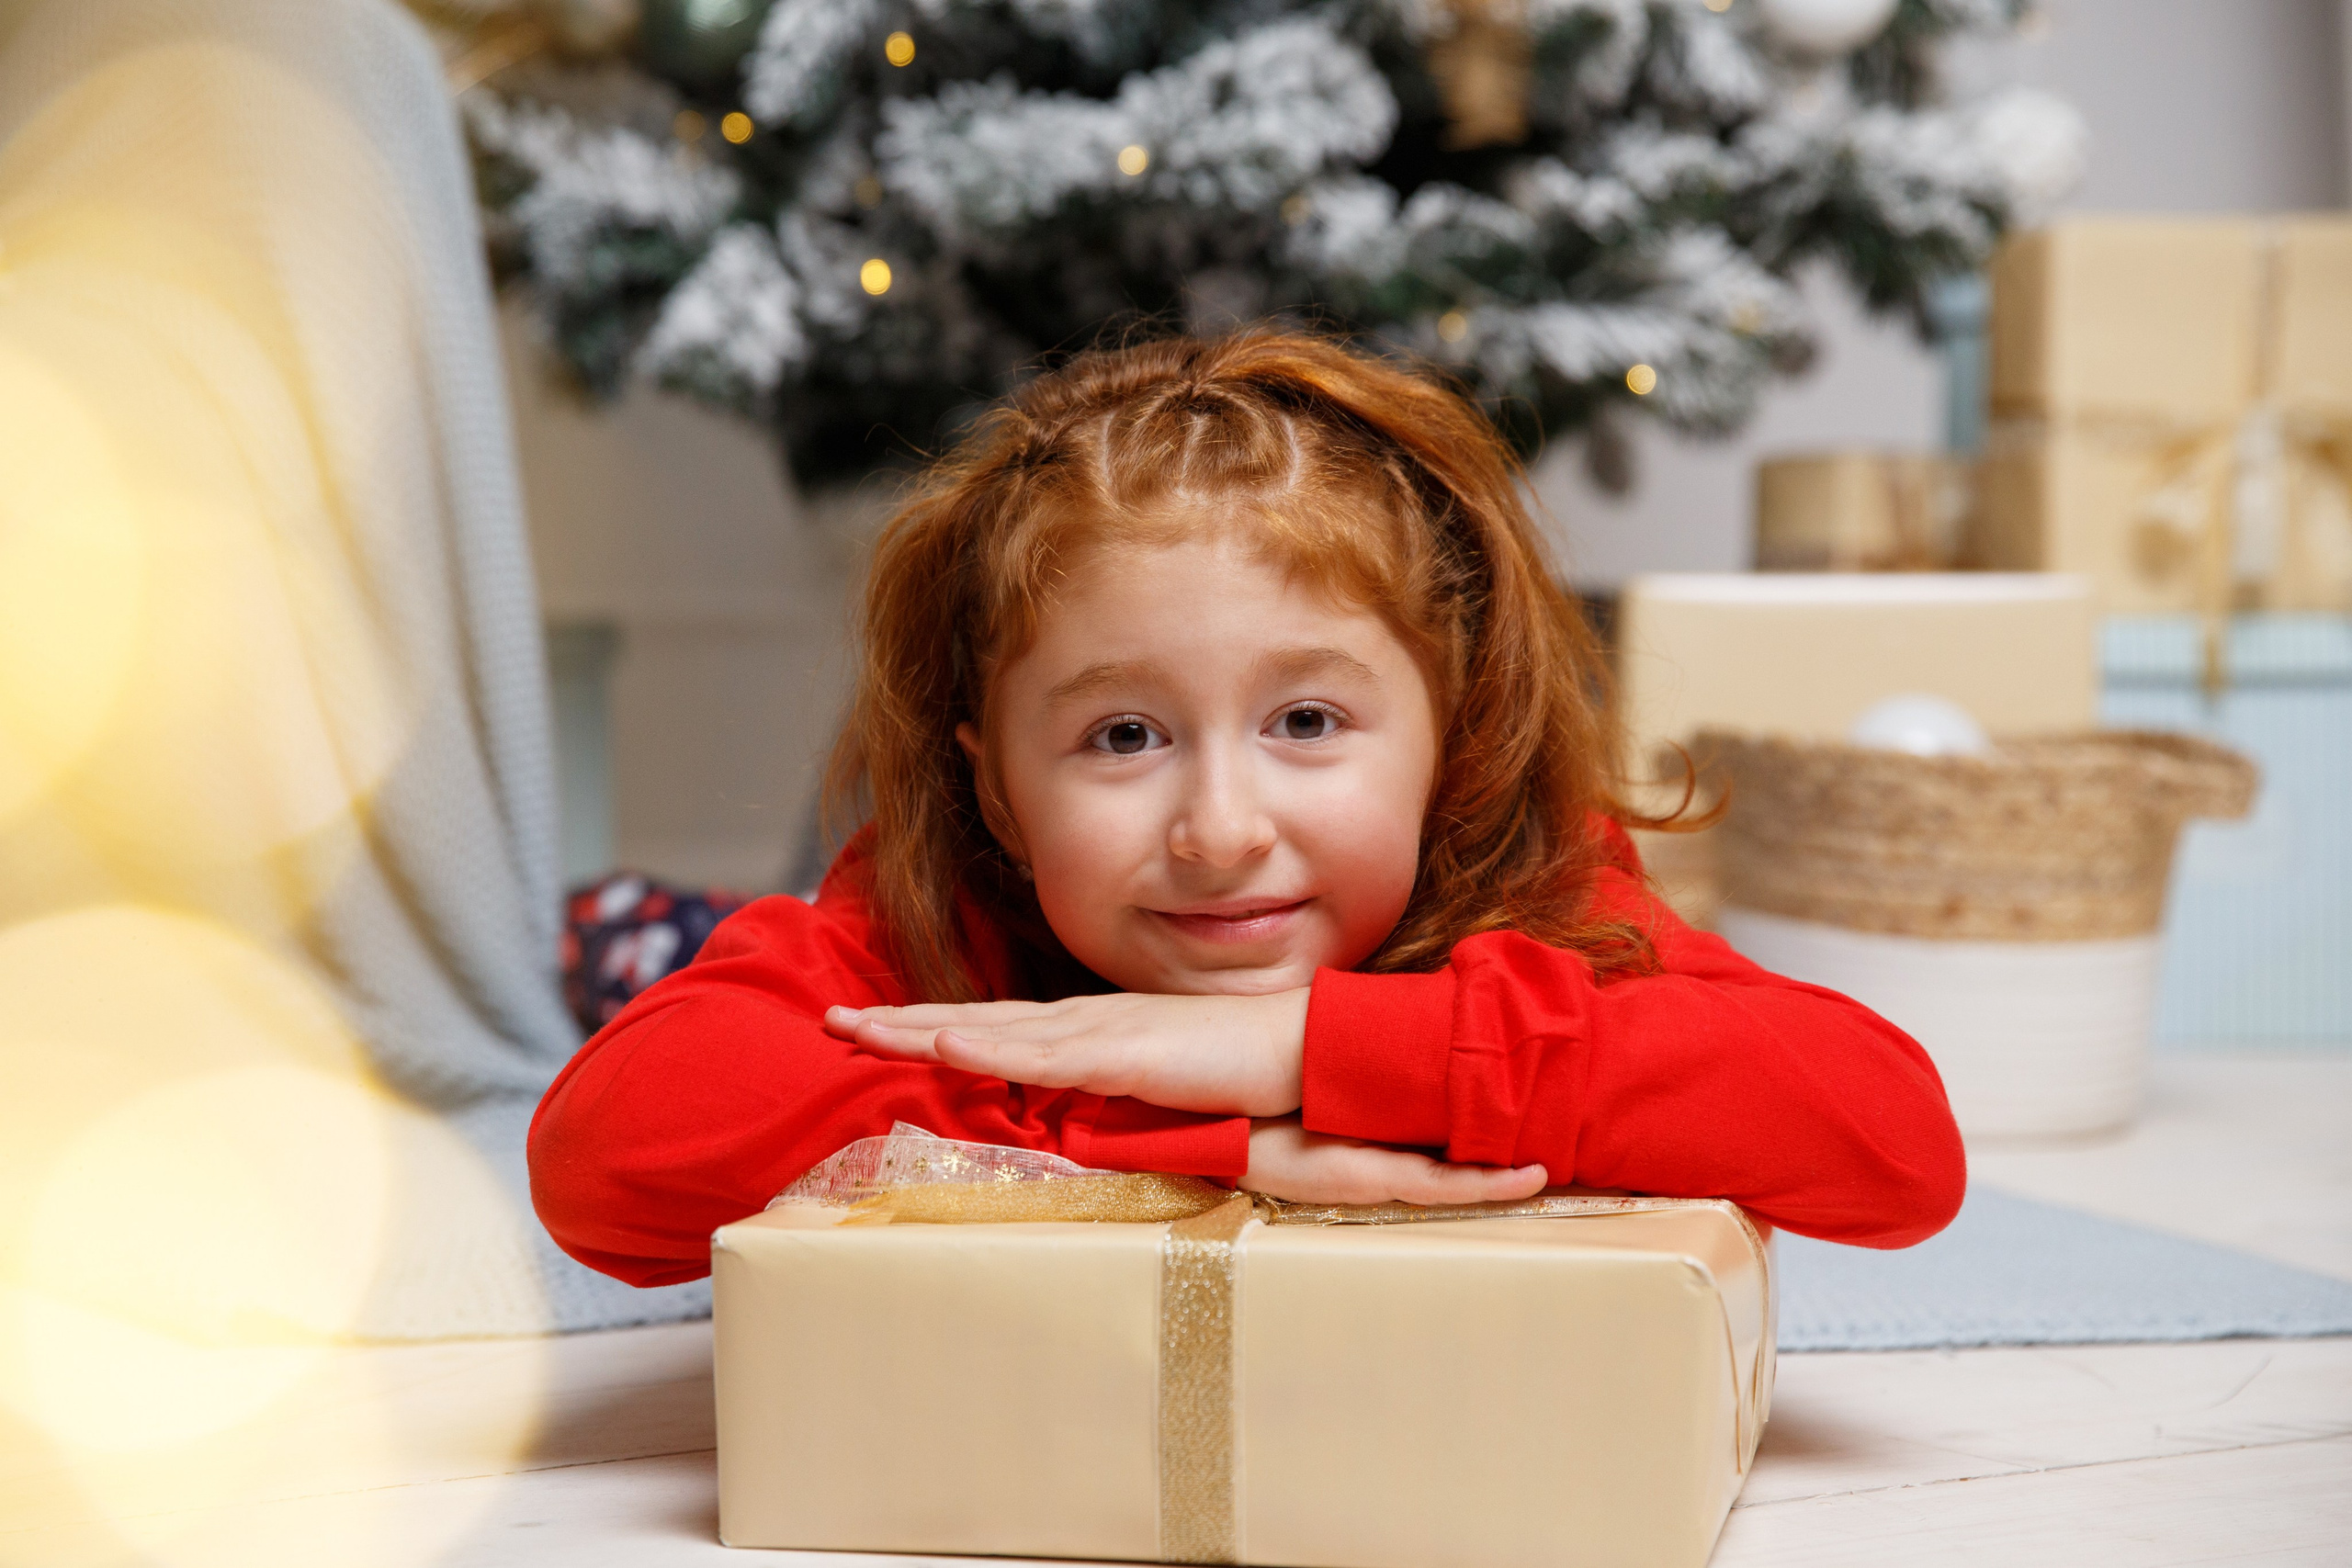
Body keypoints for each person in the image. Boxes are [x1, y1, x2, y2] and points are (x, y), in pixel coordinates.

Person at [528, 332, 1965, 1289]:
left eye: (1307, 723)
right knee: (698, 982)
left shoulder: (1536, 891)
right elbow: (603, 1164)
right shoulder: (941, 907)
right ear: (997, 790)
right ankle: (638, 931)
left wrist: (1299, 1042)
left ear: (1449, 744)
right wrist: (1132, 1114)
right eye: (1124, 735)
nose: (1221, 828)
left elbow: (1894, 1147)